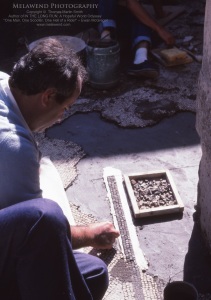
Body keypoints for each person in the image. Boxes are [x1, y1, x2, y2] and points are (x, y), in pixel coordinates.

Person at [0, 38, 120, 299]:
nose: (61, 118)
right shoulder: (13, 145)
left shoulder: (3, 82)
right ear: (48, 96)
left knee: (94, 273)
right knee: (45, 217)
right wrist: (89, 234)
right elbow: (37, 235)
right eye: (64, 108)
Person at [98, 0, 175, 79]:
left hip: (121, 13)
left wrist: (160, 13)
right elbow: (131, 3)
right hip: (100, 12)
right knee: (136, 9)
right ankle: (106, 38)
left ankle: (141, 59)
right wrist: (159, 29)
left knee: (143, 17)